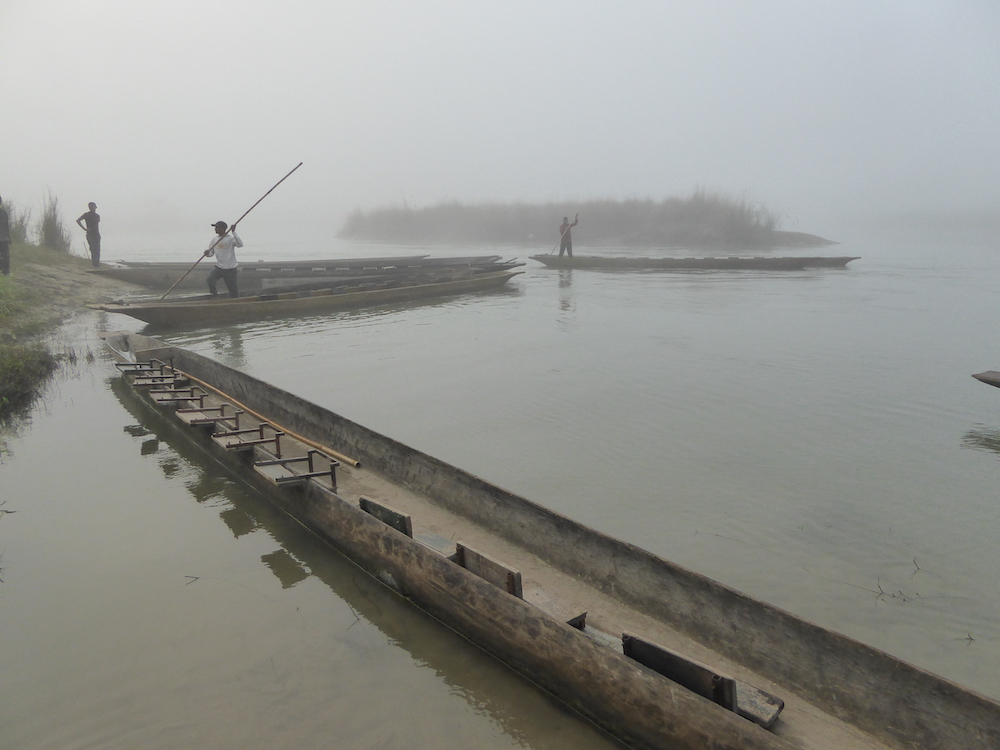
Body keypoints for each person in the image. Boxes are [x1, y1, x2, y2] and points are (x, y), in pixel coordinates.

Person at [204, 220, 243, 298]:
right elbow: (211, 253)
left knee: (232, 288)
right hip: (219, 267)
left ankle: (235, 302)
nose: (215, 229)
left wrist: (234, 232)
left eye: (217, 227)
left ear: (222, 228)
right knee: (210, 280)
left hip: (230, 268)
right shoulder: (214, 240)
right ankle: (214, 295)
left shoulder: (230, 239)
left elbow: (240, 244)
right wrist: (207, 254)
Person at [75, 202, 101, 267]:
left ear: (95, 207)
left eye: (92, 206)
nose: (91, 208)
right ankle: (94, 265)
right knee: (93, 249)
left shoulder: (97, 216)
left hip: (97, 234)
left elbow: (96, 225)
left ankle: (97, 264)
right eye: (90, 206)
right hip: (90, 234)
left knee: (97, 249)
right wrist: (84, 228)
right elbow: (78, 220)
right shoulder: (86, 215)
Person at [0, 196, 10, 276]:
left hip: (3, 237)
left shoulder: (4, 213)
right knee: (5, 255)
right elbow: (7, 226)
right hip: (4, 238)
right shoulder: (4, 213)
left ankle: (5, 271)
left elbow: (6, 226)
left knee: (5, 256)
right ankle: (5, 271)